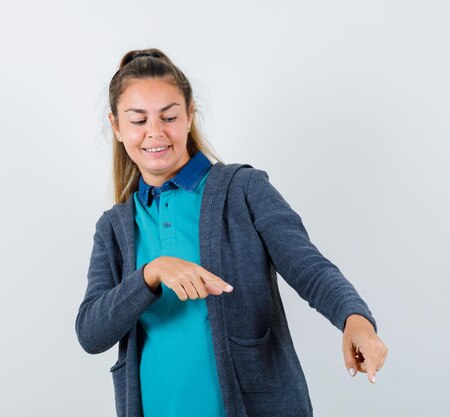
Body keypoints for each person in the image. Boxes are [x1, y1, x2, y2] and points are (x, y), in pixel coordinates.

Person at [75, 48, 388, 417]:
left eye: (169, 116)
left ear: (190, 115)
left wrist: (355, 319)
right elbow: (91, 333)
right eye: (138, 120)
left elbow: (308, 267)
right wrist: (150, 274)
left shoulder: (243, 188)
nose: (155, 132)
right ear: (116, 127)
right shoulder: (113, 227)